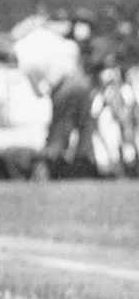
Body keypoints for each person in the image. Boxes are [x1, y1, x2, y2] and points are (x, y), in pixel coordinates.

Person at [13, 13, 92, 178]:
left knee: (58, 130)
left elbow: (34, 81)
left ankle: (53, 171)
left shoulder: (22, 47)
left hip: (63, 86)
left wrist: (40, 92)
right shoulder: (49, 36)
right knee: (84, 127)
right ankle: (83, 167)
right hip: (80, 82)